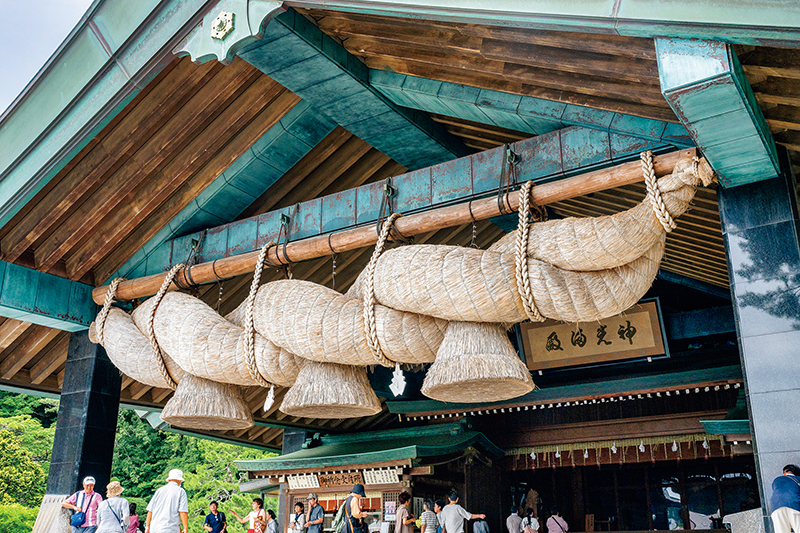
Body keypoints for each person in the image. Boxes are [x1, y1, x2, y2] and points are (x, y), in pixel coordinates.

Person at [145, 469, 189, 533]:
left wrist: (147, 526)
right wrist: (185, 528)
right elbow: (183, 512)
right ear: (180, 481)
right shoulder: (181, 491)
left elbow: (150, 510)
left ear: (169, 480)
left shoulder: (159, 490)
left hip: (154, 528)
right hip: (169, 528)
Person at [771, 464, 800, 533]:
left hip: (775, 506)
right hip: (794, 504)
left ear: (785, 472)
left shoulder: (776, 480)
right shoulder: (798, 479)